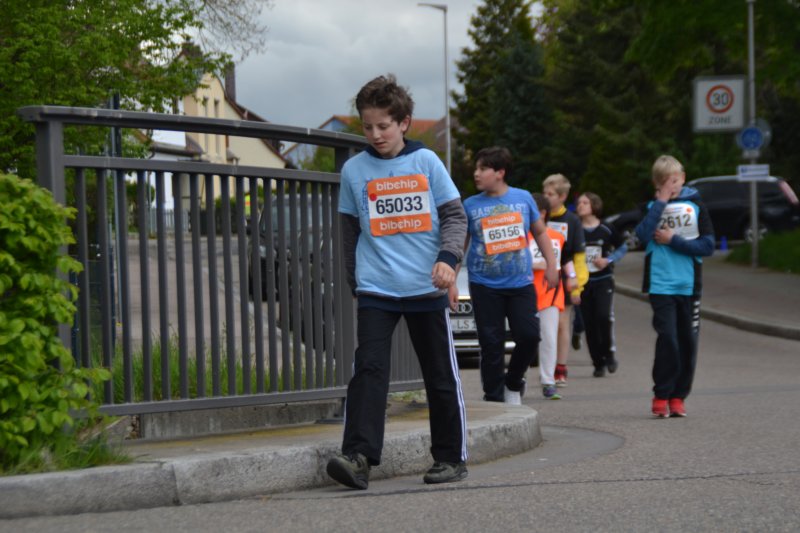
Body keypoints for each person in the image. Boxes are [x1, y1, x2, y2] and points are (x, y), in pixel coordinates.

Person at [326, 74, 469, 489]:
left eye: (384, 126)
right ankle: (358, 457)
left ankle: (450, 458)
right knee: (368, 371)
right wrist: (356, 282)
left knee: (439, 374)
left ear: (404, 122)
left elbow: (455, 217)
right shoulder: (354, 170)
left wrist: (448, 261)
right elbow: (350, 232)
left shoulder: (426, 163)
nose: (375, 135)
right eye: (368, 126)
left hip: (426, 286)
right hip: (377, 287)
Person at [455, 146, 559, 405]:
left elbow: (540, 232)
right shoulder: (470, 205)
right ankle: (493, 398)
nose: (476, 174)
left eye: (483, 169)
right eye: (476, 168)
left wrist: (551, 265)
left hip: (520, 283)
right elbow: (460, 246)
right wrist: (451, 282)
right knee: (491, 344)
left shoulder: (523, 199)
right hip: (484, 284)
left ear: (500, 172)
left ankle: (513, 382)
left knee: (530, 336)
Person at [634, 155, 714, 418]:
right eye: (666, 182)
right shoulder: (651, 208)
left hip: (689, 286)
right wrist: (661, 203)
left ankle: (678, 396)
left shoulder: (696, 205)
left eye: (676, 180)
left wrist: (673, 240)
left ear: (683, 177)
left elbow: (708, 246)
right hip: (660, 285)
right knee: (668, 338)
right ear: (657, 184)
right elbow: (642, 236)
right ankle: (662, 394)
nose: (672, 186)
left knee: (687, 342)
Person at [575, 192, 628, 377]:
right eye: (579, 203)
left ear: (594, 205)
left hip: (603, 279)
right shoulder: (576, 229)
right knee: (589, 323)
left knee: (603, 317)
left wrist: (608, 260)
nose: (580, 205)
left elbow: (623, 247)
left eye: (585, 202)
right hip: (583, 282)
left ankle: (609, 354)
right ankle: (598, 362)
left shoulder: (606, 228)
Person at [542, 174, 587, 386]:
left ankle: (560, 367)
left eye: (550, 194)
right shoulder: (538, 217)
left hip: (564, 277)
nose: (546, 197)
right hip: (540, 277)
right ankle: (545, 365)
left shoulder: (572, 220)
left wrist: (577, 286)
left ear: (562, 197)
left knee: (561, 323)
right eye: (544, 193)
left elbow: (578, 256)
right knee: (542, 325)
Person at [530, 193, 572, 400]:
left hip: (551, 293)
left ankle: (548, 381)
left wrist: (572, 278)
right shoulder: (520, 236)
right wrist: (534, 264)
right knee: (526, 338)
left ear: (542, 213)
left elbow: (566, 260)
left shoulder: (557, 236)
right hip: (525, 294)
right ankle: (517, 378)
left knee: (548, 337)